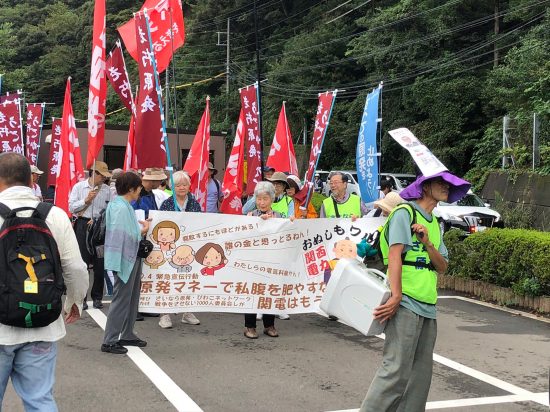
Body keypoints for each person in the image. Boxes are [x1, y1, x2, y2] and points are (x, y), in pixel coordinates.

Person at [359, 171, 470, 412]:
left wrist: (428, 242)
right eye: (441, 182)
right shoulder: (404, 213)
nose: (446, 187)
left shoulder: (435, 223)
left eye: (449, 184)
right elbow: (395, 255)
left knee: (420, 377)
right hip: (406, 301)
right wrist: (397, 296)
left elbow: (442, 266)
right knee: (396, 370)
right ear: (425, 186)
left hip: (428, 303)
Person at [0, 153, 89, 409]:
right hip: (42, 323)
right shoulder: (55, 215)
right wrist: (75, 301)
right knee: (40, 400)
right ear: (30, 180)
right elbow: (76, 267)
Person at [101, 172, 151, 354]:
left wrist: (141, 232)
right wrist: (142, 232)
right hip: (125, 258)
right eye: (138, 187)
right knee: (122, 299)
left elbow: (124, 233)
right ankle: (110, 340)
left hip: (128, 256)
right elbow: (120, 236)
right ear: (131, 188)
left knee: (130, 298)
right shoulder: (122, 208)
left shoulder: (121, 205)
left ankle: (127, 333)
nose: (140, 191)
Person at [157, 171, 202, 329]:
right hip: (170, 248)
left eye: (184, 185)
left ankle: (187, 312)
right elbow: (161, 225)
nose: (182, 188)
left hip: (189, 248)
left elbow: (200, 223)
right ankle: (165, 314)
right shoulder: (167, 204)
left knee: (189, 280)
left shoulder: (195, 203)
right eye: (177, 185)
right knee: (168, 281)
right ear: (172, 187)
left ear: (189, 186)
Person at [69, 160, 112, 310]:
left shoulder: (107, 190)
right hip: (82, 225)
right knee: (83, 264)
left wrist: (99, 218)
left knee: (100, 263)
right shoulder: (79, 187)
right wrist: (86, 200)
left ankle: (97, 297)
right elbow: (71, 207)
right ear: (94, 173)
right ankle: (82, 298)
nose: (104, 178)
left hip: (100, 228)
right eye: (102, 175)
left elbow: (110, 209)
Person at [244, 181, 284, 339]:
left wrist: (293, 222)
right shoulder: (249, 216)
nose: (261, 202)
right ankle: (250, 326)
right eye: (258, 199)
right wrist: (257, 222)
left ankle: (269, 325)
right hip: (253, 262)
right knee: (252, 292)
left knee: (271, 291)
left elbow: (288, 234)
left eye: (265, 199)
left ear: (272, 199)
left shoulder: (280, 217)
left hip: (273, 261)